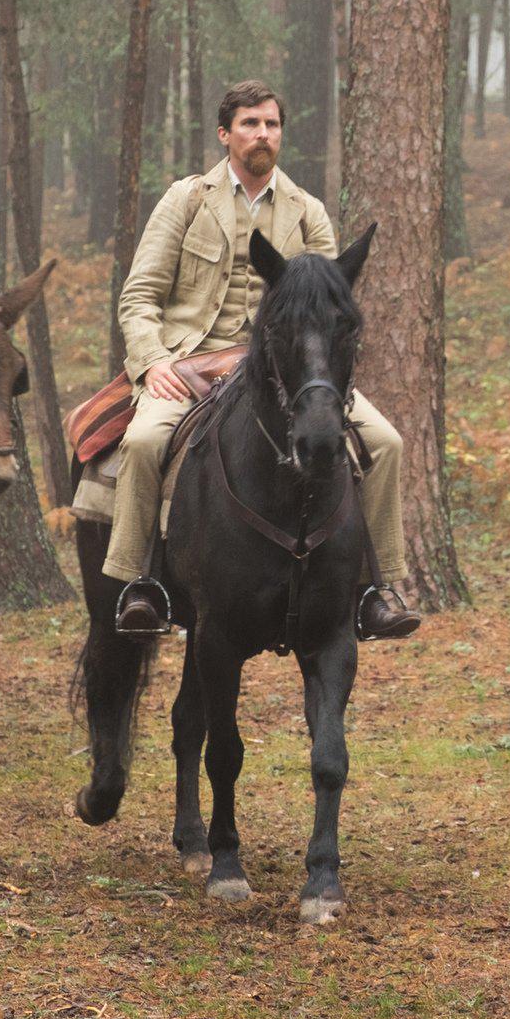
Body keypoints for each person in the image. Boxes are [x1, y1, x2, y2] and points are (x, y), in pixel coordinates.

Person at [105, 79, 420, 641]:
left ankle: (374, 588)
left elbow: (327, 305)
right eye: (250, 124)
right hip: (190, 364)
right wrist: (153, 362)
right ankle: (141, 583)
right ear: (226, 135)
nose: (262, 134)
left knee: (388, 443)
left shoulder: (308, 213)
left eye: (271, 124)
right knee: (144, 441)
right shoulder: (186, 200)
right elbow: (139, 296)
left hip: (284, 369)